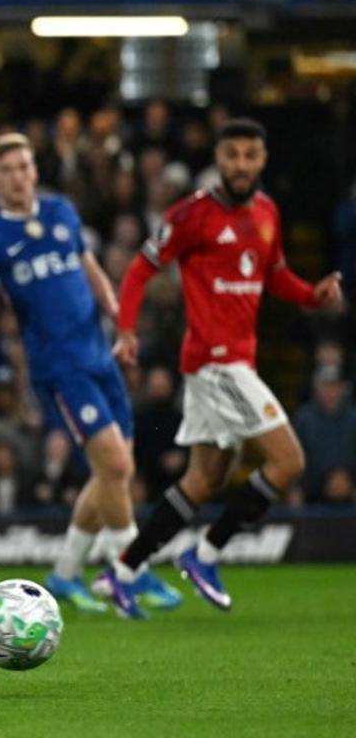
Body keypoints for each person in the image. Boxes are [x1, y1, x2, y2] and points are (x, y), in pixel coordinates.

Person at [101, 118, 344, 617]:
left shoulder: (267, 213)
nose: (240, 165)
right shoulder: (193, 215)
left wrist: (311, 296)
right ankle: (206, 553)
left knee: (205, 479)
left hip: (236, 361)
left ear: (263, 159)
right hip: (216, 363)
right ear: (218, 158)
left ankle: (123, 571)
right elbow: (141, 268)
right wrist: (126, 330)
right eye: (231, 155)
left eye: (250, 155)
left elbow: (273, 274)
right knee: (288, 462)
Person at [0, 132, 180, 618]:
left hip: (99, 355)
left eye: (25, 166)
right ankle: (129, 571)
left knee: (113, 472)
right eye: (7, 169)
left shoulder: (60, 212)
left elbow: (88, 264)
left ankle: (66, 574)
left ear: (35, 170)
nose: (18, 176)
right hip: (58, 367)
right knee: (115, 468)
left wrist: (119, 315)